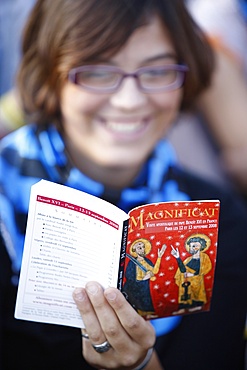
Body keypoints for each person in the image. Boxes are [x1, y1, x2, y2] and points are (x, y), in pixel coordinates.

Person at [0, 0, 247, 369]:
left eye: (157, 71)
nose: (129, 101)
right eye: (98, 72)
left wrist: (141, 363)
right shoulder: (4, 206)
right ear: (50, 74)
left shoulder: (218, 219)